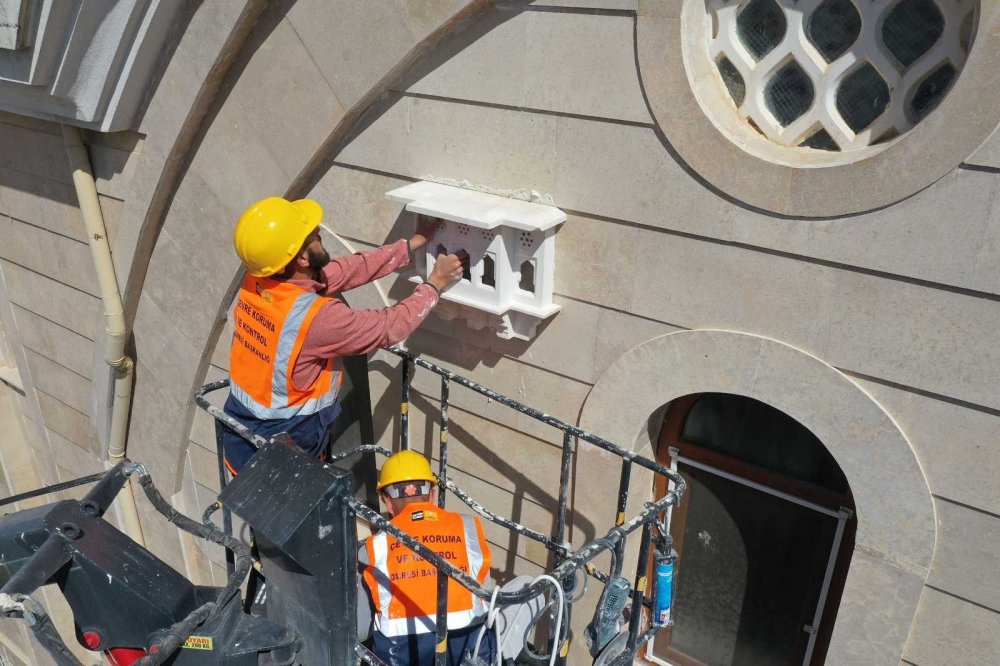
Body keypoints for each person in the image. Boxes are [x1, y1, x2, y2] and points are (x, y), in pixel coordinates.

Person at [224, 197, 463, 474]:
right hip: (284, 448)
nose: (319, 234)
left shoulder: (260, 280)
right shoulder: (317, 319)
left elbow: (342, 271)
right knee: (301, 513)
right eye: (312, 235)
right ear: (301, 258)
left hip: (241, 432)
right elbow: (388, 327)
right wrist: (434, 285)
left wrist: (409, 247)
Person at [360, 450, 496, 666]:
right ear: (432, 494)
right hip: (467, 638)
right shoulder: (469, 526)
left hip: (403, 645)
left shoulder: (376, 543)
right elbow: (484, 587)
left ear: (388, 502)